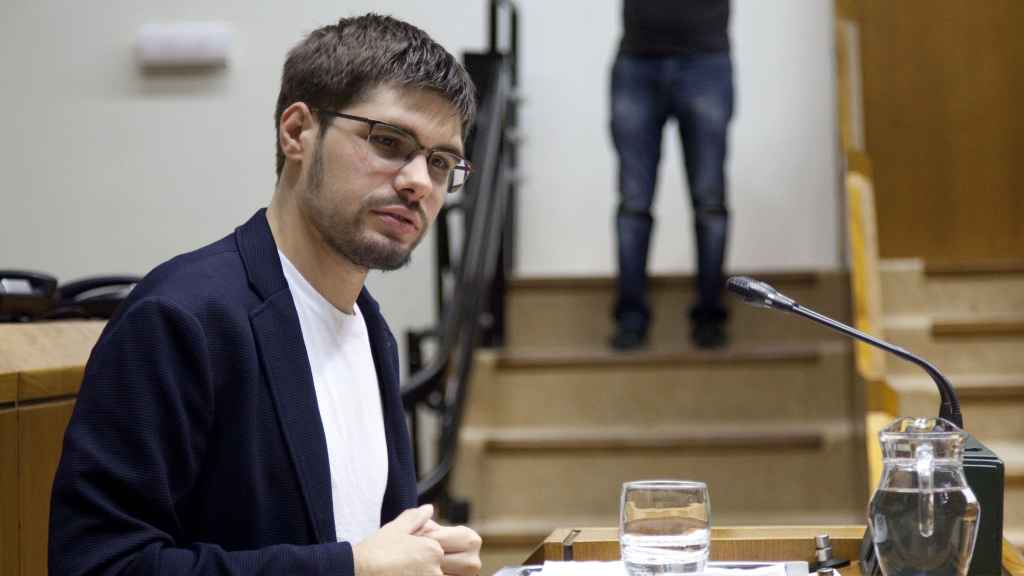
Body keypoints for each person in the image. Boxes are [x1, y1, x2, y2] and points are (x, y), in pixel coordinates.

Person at [49, 14, 482, 576]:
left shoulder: (370, 329)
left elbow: (354, 541)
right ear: (297, 132)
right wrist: (347, 569)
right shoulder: (180, 318)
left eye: (442, 161)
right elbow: (98, 564)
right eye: (389, 141)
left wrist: (423, 553)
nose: (420, 181)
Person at [610, 0, 734, 350]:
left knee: (710, 203)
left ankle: (710, 317)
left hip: (706, 60)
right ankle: (630, 320)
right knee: (633, 204)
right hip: (637, 59)